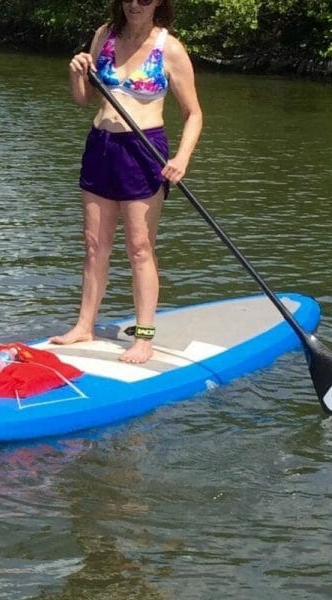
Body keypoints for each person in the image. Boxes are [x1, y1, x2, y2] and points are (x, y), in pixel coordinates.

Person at [54, 0, 203, 364]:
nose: (136, 4)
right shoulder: (104, 35)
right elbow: (83, 99)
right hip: (101, 145)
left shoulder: (169, 48)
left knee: (140, 248)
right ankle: (84, 325)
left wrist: (181, 158)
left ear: (159, 3)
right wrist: (77, 73)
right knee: (93, 245)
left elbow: (193, 114)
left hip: (143, 148)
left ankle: (144, 337)